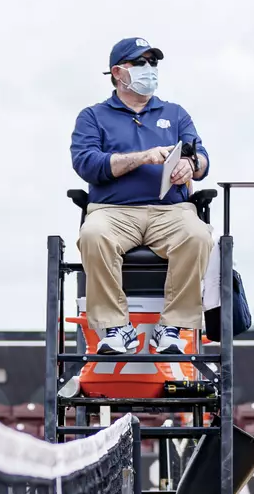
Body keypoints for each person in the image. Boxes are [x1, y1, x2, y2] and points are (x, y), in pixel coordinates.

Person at [70, 36, 212, 356]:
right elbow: (86, 164)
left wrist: (190, 166)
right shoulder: (93, 116)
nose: (150, 69)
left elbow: (202, 159)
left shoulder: (175, 113)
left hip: (170, 211)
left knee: (198, 235)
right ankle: (116, 328)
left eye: (153, 62)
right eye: (141, 62)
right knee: (93, 234)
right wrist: (143, 157)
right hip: (113, 210)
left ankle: (172, 327)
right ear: (119, 73)